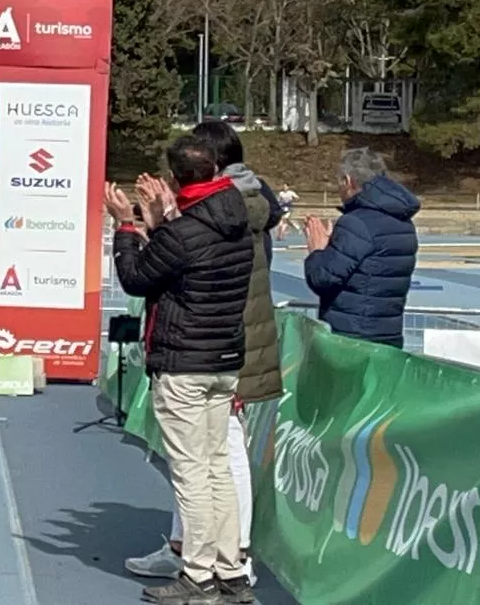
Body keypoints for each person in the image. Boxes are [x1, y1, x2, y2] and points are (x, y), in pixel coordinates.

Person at [126, 120, 281, 590]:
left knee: (202, 467)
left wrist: (132, 228)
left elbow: (150, 273)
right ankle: (227, 565)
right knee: (215, 462)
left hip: (199, 350)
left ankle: (201, 571)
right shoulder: (236, 215)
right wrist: (166, 221)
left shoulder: (206, 224)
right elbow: (189, 253)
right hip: (228, 347)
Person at [303, 147, 419, 348]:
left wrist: (317, 251)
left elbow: (322, 278)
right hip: (388, 335)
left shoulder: (356, 223)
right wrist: (335, 247)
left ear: (348, 181)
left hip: (352, 339)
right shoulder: (403, 222)